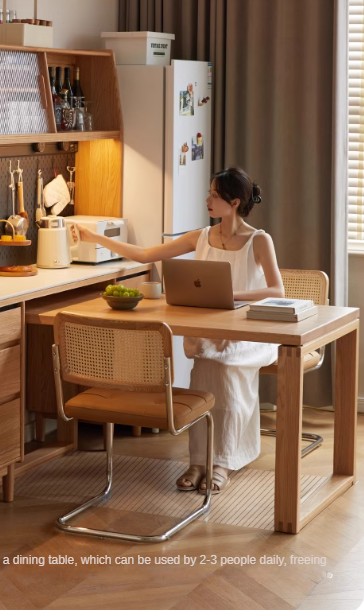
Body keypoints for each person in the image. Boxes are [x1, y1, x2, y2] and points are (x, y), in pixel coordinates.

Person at [76, 166, 284, 494]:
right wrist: (96, 239)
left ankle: (222, 462)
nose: (207, 200)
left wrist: (233, 295)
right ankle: (198, 461)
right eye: (208, 194)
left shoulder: (259, 241)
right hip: (206, 333)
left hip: (245, 335)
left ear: (233, 202)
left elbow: (276, 291)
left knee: (224, 377)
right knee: (201, 382)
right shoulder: (201, 237)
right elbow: (145, 255)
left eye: (214, 195)